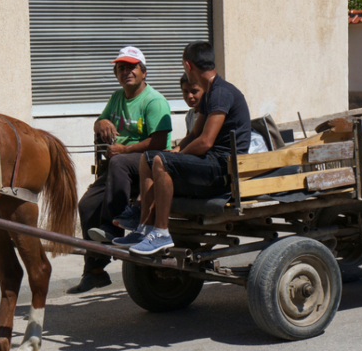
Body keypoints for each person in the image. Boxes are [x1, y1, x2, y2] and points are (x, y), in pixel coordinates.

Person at [114, 41, 251, 255]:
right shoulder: (211, 91)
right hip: (210, 163)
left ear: (188, 66)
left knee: (160, 161)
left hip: (223, 169)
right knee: (149, 158)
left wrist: (175, 157)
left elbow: (206, 141)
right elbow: (194, 134)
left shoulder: (221, 92)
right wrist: (176, 152)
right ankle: (145, 227)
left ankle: (161, 232)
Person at [69, 46, 172, 293]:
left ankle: (113, 226)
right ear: (116, 73)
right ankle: (95, 271)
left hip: (149, 163)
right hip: (120, 165)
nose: (126, 72)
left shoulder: (154, 101)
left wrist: (124, 151)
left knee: (116, 162)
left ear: (143, 72)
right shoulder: (117, 97)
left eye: (131, 67)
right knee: (86, 205)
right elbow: (99, 122)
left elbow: (159, 142)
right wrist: (101, 123)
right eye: (121, 68)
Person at [114, 73, 203, 232]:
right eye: (185, 92)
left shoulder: (207, 114)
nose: (189, 96)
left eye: (194, 91)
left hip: (199, 163)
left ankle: (140, 212)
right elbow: (189, 138)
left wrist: (179, 155)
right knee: (152, 160)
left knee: (158, 165)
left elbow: (200, 142)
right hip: (188, 159)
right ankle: (139, 211)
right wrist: (176, 150)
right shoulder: (191, 115)